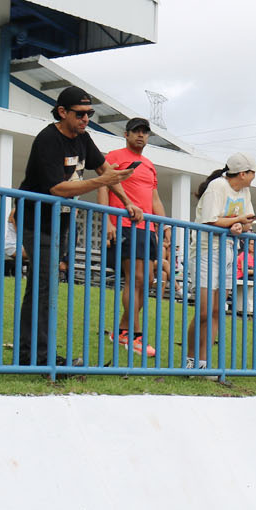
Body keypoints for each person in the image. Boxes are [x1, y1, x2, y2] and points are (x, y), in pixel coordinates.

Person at [17, 86, 139, 367]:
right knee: (43, 287)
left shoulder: (83, 138)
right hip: (37, 220)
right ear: (62, 112)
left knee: (44, 287)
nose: (86, 119)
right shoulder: (48, 139)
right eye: (80, 114)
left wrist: (128, 202)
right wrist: (102, 183)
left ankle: (34, 354)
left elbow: (105, 171)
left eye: (89, 114)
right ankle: (37, 357)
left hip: (61, 222)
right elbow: (58, 188)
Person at [99, 117, 167, 359]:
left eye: (145, 132)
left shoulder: (149, 165)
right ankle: (134, 334)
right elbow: (103, 186)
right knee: (135, 278)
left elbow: (154, 198)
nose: (141, 136)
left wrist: (165, 226)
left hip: (147, 228)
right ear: (126, 135)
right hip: (125, 223)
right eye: (136, 132)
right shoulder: (115, 156)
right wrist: (107, 219)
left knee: (147, 280)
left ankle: (121, 330)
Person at [186, 153, 256, 370]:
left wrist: (239, 227)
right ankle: (191, 359)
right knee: (204, 311)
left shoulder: (245, 191)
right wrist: (236, 222)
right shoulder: (217, 186)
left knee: (217, 311)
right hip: (206, 251)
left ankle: (204, 362)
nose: (255, 175)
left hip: (228, 251)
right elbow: (210, 220)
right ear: (243, 173)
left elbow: (248, 221)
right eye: (253, 171)